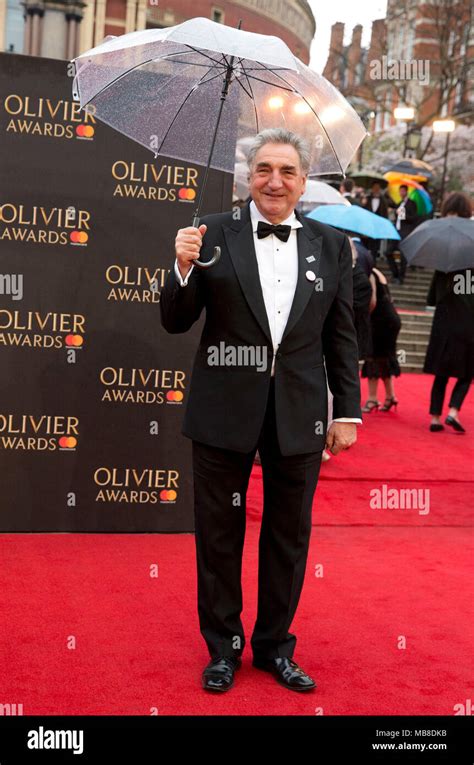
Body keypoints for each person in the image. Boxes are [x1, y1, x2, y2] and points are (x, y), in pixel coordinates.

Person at [160, 128, 362, 693]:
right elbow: (176, 321)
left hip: (298, 413)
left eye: (288, 171)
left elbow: (342, 338)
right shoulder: (211, 234)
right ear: (249, 177)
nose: (275, 181)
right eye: (264, 169)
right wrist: (181, 268)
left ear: (303, 182)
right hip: (224, 409)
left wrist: (347, 411)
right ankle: (222, 649)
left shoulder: (331, 244)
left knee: (287, 536)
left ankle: (275, 647)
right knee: (219, 534)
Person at [424, 192, 474, 433]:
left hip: (445, 319)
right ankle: (453, 411)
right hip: (470, 320)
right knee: (468, 370)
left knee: (441, 372)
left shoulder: (444, 251)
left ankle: (435, 417)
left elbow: (432, 297)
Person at [360, 267, 402, 411]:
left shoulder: (369, 274)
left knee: (372, 358)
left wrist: (362, 317)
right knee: (384, 358)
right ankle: (390, 396)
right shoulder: (377, 272)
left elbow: (372, 302)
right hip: (391, 319)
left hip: (380, 321)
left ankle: (372, 399)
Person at [385, 184, 419, 284]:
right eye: (400, 191)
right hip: (396, 232)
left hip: (405, 232)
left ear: (406, 192)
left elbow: (414, 218)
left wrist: (403, 215)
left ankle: (401, 277)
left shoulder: (412, 203)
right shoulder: (398, 203)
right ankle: (395, 274)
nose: (401, 193)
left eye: (403, 191)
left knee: (403, 255)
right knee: (388, 252)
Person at [361, 180, 389, 262]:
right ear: (372, 188)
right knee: (365, 245)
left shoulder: (383, 200)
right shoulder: (367, 198)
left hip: (378, 227)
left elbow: (385, 214)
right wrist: (363, 203)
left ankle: (373, 264)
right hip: (367, 226)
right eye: (375, 188)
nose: (376, 189)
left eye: (378, 188)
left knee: (375, 247)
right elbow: (362, 211)